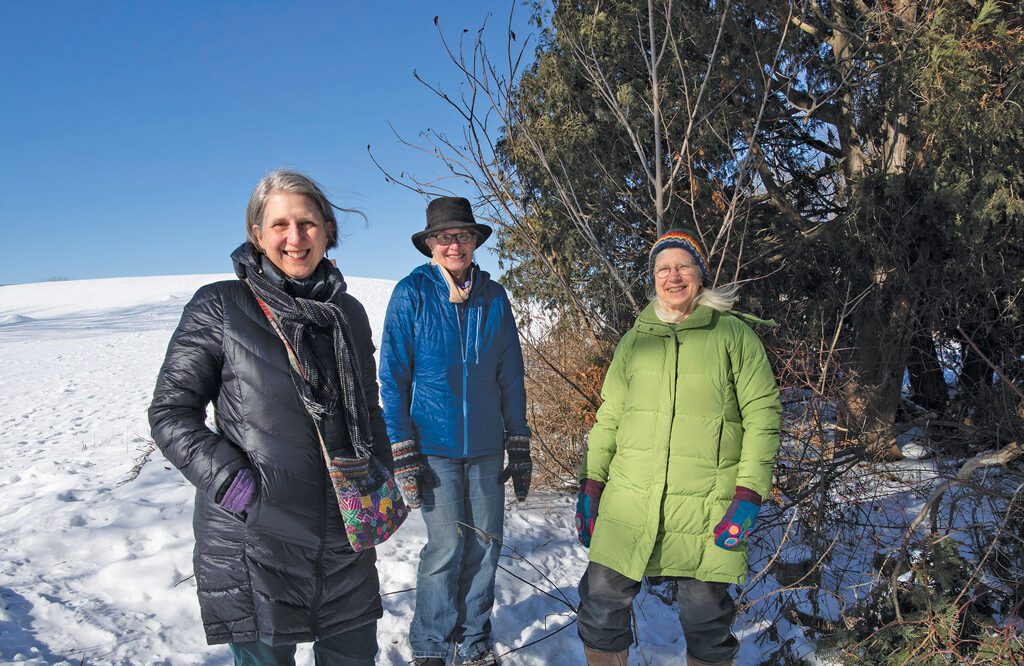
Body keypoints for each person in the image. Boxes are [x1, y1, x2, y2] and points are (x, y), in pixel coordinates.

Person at [149, 170, 392, 665]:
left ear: (328, 229)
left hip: (343, 540)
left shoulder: (347, 313)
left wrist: (380, 477)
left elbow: (367, 407)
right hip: (256, 540)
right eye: (280, 224)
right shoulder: (221, 306)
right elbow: (171, 412)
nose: (295, 237)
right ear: (257, 235)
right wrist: (238, 487)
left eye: (307, 223)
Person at [573, 229, 782, 666]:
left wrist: (748, 494)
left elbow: (764, 416)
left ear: (700, 275)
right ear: (653, 279)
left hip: (707, 501)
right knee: (600, 603)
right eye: (663, 268)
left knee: (706, 617)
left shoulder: (733, 336)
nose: (673, 276)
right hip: (631, 498)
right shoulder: (634, 341)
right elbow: (610, 418)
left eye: (683, 266)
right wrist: (592, 484)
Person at [379, 196, 532, 666]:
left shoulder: (494, 296)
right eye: (444, 237)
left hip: (486, 446)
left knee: (486, 544)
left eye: (462, 236)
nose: (454, 244)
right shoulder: (412, 293)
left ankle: (474, 636)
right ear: (430, 244)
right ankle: (429, 642)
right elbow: (392, 374)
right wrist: (402, 448)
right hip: (433, 448)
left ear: (474, 242)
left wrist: (519, 441)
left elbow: (510, 372)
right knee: (446, 545)